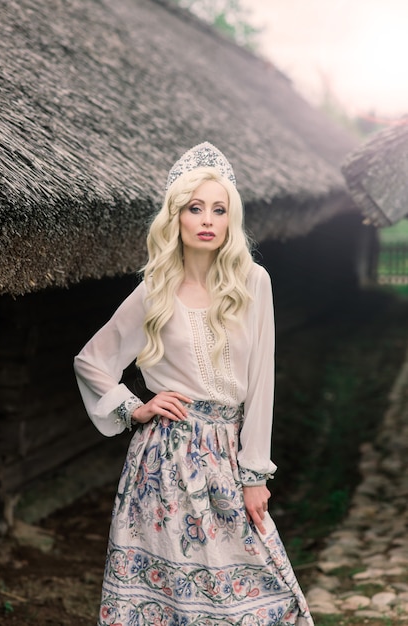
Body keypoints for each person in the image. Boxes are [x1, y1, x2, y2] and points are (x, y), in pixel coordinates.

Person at [74, 142, 314, 626]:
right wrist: (133, 407)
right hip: (161, 464)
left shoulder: (254, 283)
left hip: (227, 459)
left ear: (231, 220)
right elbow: (92, 360)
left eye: (218, 209)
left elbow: (261, 382)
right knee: (166, 604)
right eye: (194, 208)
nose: (207, 219)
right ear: (176, 218)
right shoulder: (153, 291)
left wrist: (256, 475)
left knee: (254, 593)